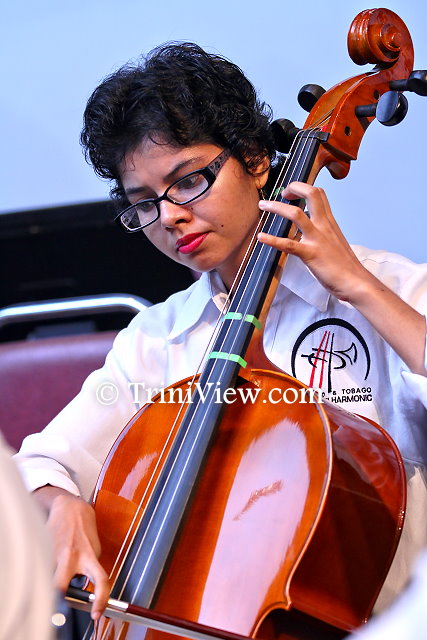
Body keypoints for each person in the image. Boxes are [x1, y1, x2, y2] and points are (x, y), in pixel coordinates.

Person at [14, 43, 427, 626]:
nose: (170, 216)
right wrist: (60, 504)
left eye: (187, 181)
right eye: (144, 204)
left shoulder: (392, 287)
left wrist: (359, 287)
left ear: (255, 160)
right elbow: (38, 464)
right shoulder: (156, 339)